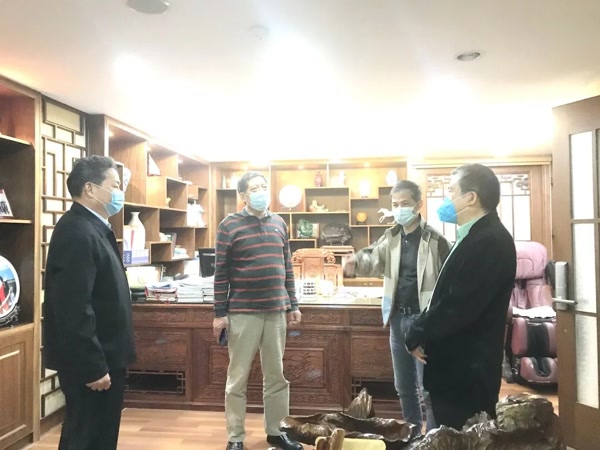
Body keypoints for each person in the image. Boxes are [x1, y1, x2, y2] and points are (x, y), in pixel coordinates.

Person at [405, 163, 517, 430]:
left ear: (471, 198)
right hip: (454, 372)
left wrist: (416, 331)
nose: (447, 199)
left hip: (465, 376)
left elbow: (457, 307)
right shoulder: (472, 236)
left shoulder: (489, 241)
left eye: (451, 191)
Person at [344, 180, 450, 435]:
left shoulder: (435, 240)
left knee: (428, 388)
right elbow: (374, 259)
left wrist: (435, 323)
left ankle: (432, 438)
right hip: (397, 320)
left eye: (405, 204)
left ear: (418, 205)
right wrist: (355, 262)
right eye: (395, 204)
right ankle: (412, 434)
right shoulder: (391, 237)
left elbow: (448, 283)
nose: (399, 209)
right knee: (403, 387)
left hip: (424, 322)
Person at [44, 155, 136, 450]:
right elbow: (73, 308)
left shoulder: (94, 226)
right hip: (93, 362)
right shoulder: (76, 231)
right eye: (115, 185)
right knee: (85, 437)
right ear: (90, 189)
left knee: (100, 436)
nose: (120, 192)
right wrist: (93, 366)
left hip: (107, 355)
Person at [213, 171, 303, 450]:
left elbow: (287, 266)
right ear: (243, 196)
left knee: (276, 376)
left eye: (264, 186)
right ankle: (235, 437)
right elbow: (220, 273)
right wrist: (219, 313)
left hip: (276, 311)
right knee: (237, 377)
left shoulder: (279, 222)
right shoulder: (229, 225)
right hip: (242, 313)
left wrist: (293, 304)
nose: (262, 192)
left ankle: (277, 432)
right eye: (254, 188)